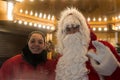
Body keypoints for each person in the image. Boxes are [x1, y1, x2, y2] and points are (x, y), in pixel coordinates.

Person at [55, 7, 120, 80]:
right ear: (63, 34)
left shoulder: (100, 47)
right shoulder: (61, 58)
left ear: (83, 29)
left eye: (76, 27)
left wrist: (112, 68)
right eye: (68, 29)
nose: (72, 32)